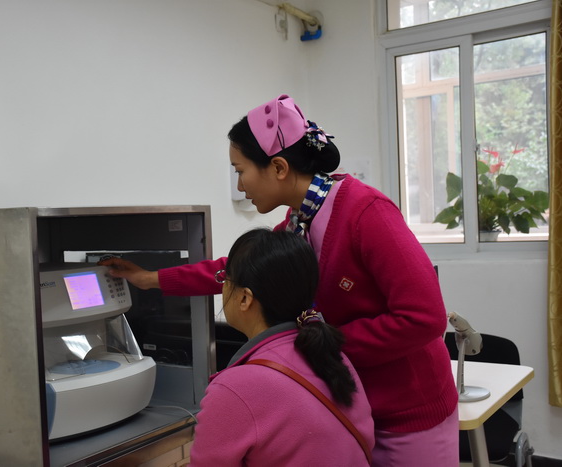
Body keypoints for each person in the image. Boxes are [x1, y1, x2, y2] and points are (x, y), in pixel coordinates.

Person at [102, 94, 459, 466]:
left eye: (240, 171)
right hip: (356, 401)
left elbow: (425, 318)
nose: (240, 185)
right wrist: (150, 279)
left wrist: (326, 344)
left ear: (278, 167)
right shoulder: (299, 222)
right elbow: (238, 269)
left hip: (409, 412)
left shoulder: (366, 213)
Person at [190, 228, 374, 466]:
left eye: (226, 278)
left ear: (245, 298)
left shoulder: (234, 388)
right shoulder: (331, 355)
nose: (223, 286)